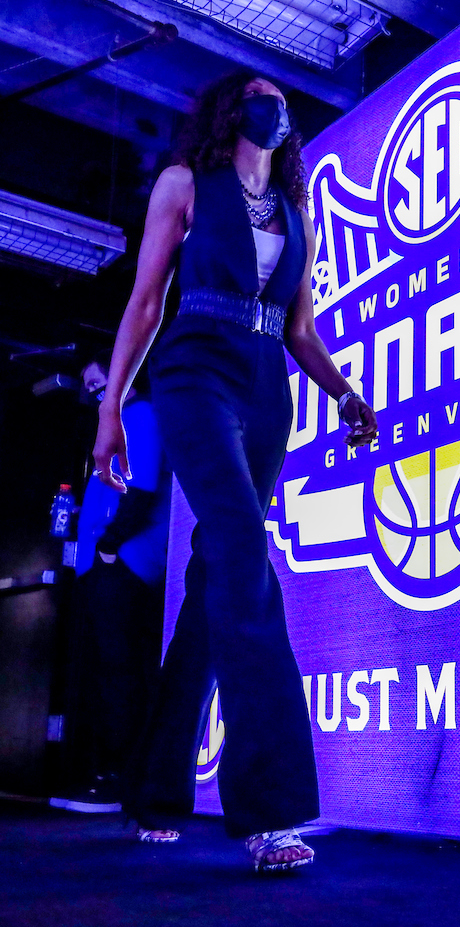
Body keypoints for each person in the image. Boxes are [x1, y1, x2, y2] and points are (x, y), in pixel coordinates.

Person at [92, 70, 377, 873]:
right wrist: (111, 406)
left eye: (281, 97)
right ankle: (271, 812)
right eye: (257, 92)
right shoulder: (185, 183)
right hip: (192, 372)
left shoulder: (295, 213)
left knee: (215, 584)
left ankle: (154, 789)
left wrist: (347, 394)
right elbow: (147, 300)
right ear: (230, 108)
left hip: (265, 386)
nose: (274, 103)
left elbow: (302, 331)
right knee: (246, 565)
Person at [54, 356, 170, 812]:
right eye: (91, 387)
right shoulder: (119, 421)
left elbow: (139, 490)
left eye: (101, 382)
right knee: (111, 672)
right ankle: (114, 775)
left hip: (124, 564)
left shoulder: (140, 415)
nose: (96, 391)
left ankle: (121, 780)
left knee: (120, 674)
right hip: (108, 565)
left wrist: (110, 547)